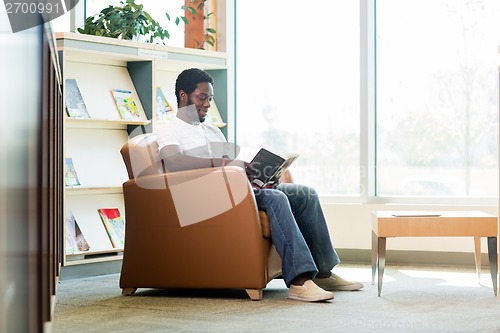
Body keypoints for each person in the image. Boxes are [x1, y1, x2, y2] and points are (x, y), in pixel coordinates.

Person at [157, 68, 363, 302]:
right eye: (201, 97)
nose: (207, 104)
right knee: (276, 199)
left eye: (210, 99)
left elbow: (231, 170)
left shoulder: (213, 130)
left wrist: (263, 177)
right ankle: (299, 282)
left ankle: (324, 272)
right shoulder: (169, 131)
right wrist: (224, 162)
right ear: (183, 96)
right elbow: (172, 162)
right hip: (210, 199)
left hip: (238, 189)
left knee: (305, 194)